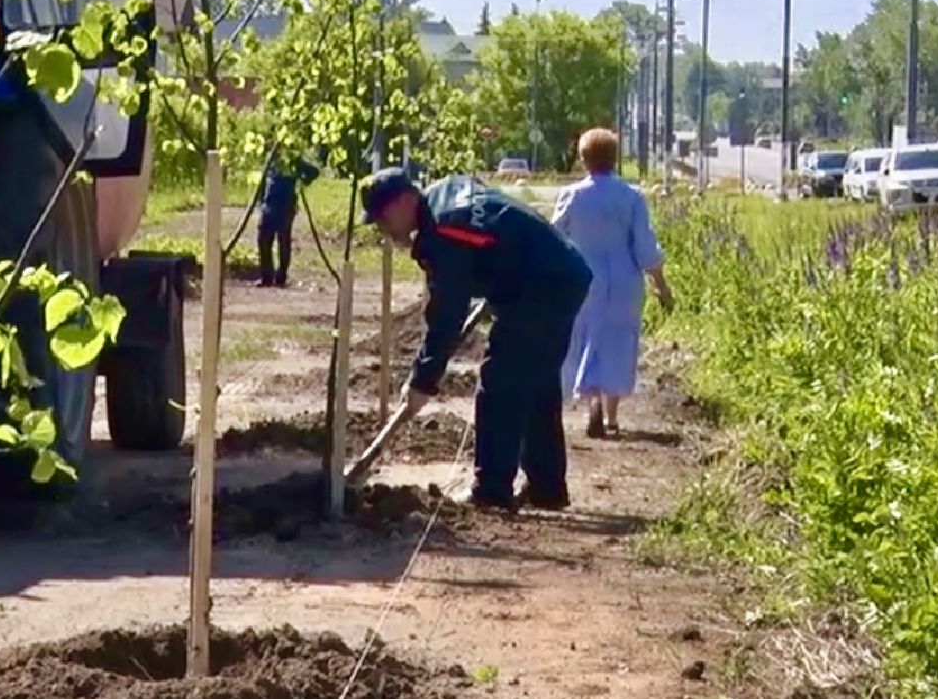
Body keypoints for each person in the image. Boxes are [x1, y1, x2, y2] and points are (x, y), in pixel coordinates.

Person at [361, 167, 591, 510]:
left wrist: (423, 379)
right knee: (536, 383)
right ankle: (547, 487)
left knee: (500, 382)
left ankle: (491, 489)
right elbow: (492, 234)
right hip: (561, 273)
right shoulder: (446, 191)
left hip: (543, 286)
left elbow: (446, 316)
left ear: (405, 201)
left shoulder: (441, 233)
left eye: (382, 218)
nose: (383, 229)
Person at [553, 129, 674, 439]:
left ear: (583, 159)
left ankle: (591, 402)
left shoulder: (572, 196)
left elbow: (555, 237)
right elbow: (644, 246)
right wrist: (661, 283)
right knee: (618, 342)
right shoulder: (631, 197)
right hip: (624, 279)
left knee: (586, 338)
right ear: (614, 157)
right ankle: (612, 415)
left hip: (583, 278)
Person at [257, 156, 318, 287]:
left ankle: (281, 276)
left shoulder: (293, 160)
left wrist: (302, 180)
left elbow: (314, 172)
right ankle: (266, 276)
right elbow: (263, 182)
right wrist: (261, 201)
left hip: (285, 206)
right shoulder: (270, 158)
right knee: (263, 239)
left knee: (283, 240)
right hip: (269, 206)